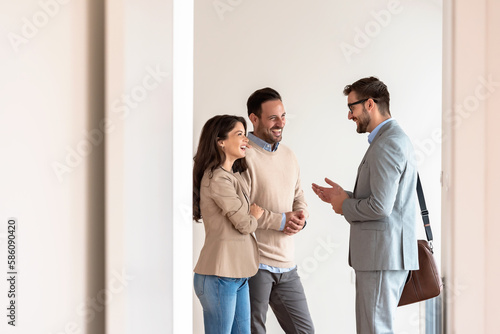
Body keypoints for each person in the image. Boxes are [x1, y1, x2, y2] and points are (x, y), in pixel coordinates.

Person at [311, 77, 419, 334]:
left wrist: (345, 206)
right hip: (383, 256)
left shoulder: (388, 143)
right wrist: (343, 197)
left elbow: (381, 207)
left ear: (369, 104)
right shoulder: (391, 139)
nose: (350, 116)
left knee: (375, 330)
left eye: (352, 108)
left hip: (381, 256)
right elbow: (384, 197)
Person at [242, 88, 314, 334]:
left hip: (287, 265)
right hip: (255, 263)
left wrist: (300, 218)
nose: (280, 123)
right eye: (273, 118)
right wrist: (282, 221)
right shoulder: (243, 156)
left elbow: (298, 194)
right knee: (255, 330)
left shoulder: (288, 155)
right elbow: (242, 211)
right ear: (254, 119)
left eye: (283, 116)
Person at [193, 115, 265, 334]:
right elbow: (244, 224)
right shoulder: (217, 178)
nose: (247, 140)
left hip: (237, 274)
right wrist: (253, 215)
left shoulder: (232, 176)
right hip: (219, 276)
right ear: (220, 141)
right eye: (240, 134)